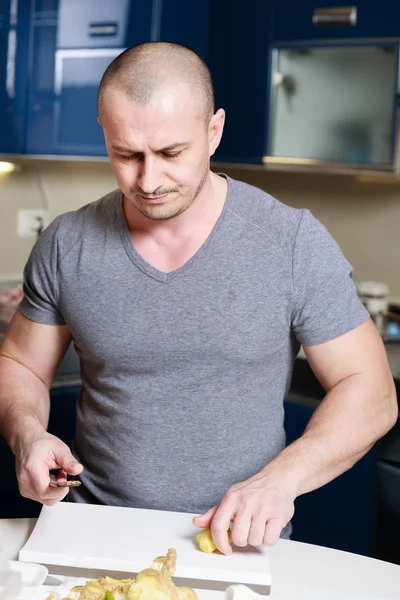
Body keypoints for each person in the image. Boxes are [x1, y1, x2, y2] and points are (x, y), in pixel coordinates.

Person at [0, 42, 397, 556]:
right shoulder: (67, 242)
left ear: (214, 132)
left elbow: (371, 391)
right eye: (126, 155)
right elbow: (21, 365)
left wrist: (280, 482)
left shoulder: (291, 241)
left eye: (170, 153)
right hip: (90, 538)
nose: (148, 180)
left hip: (231, 545)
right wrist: (28, 433)